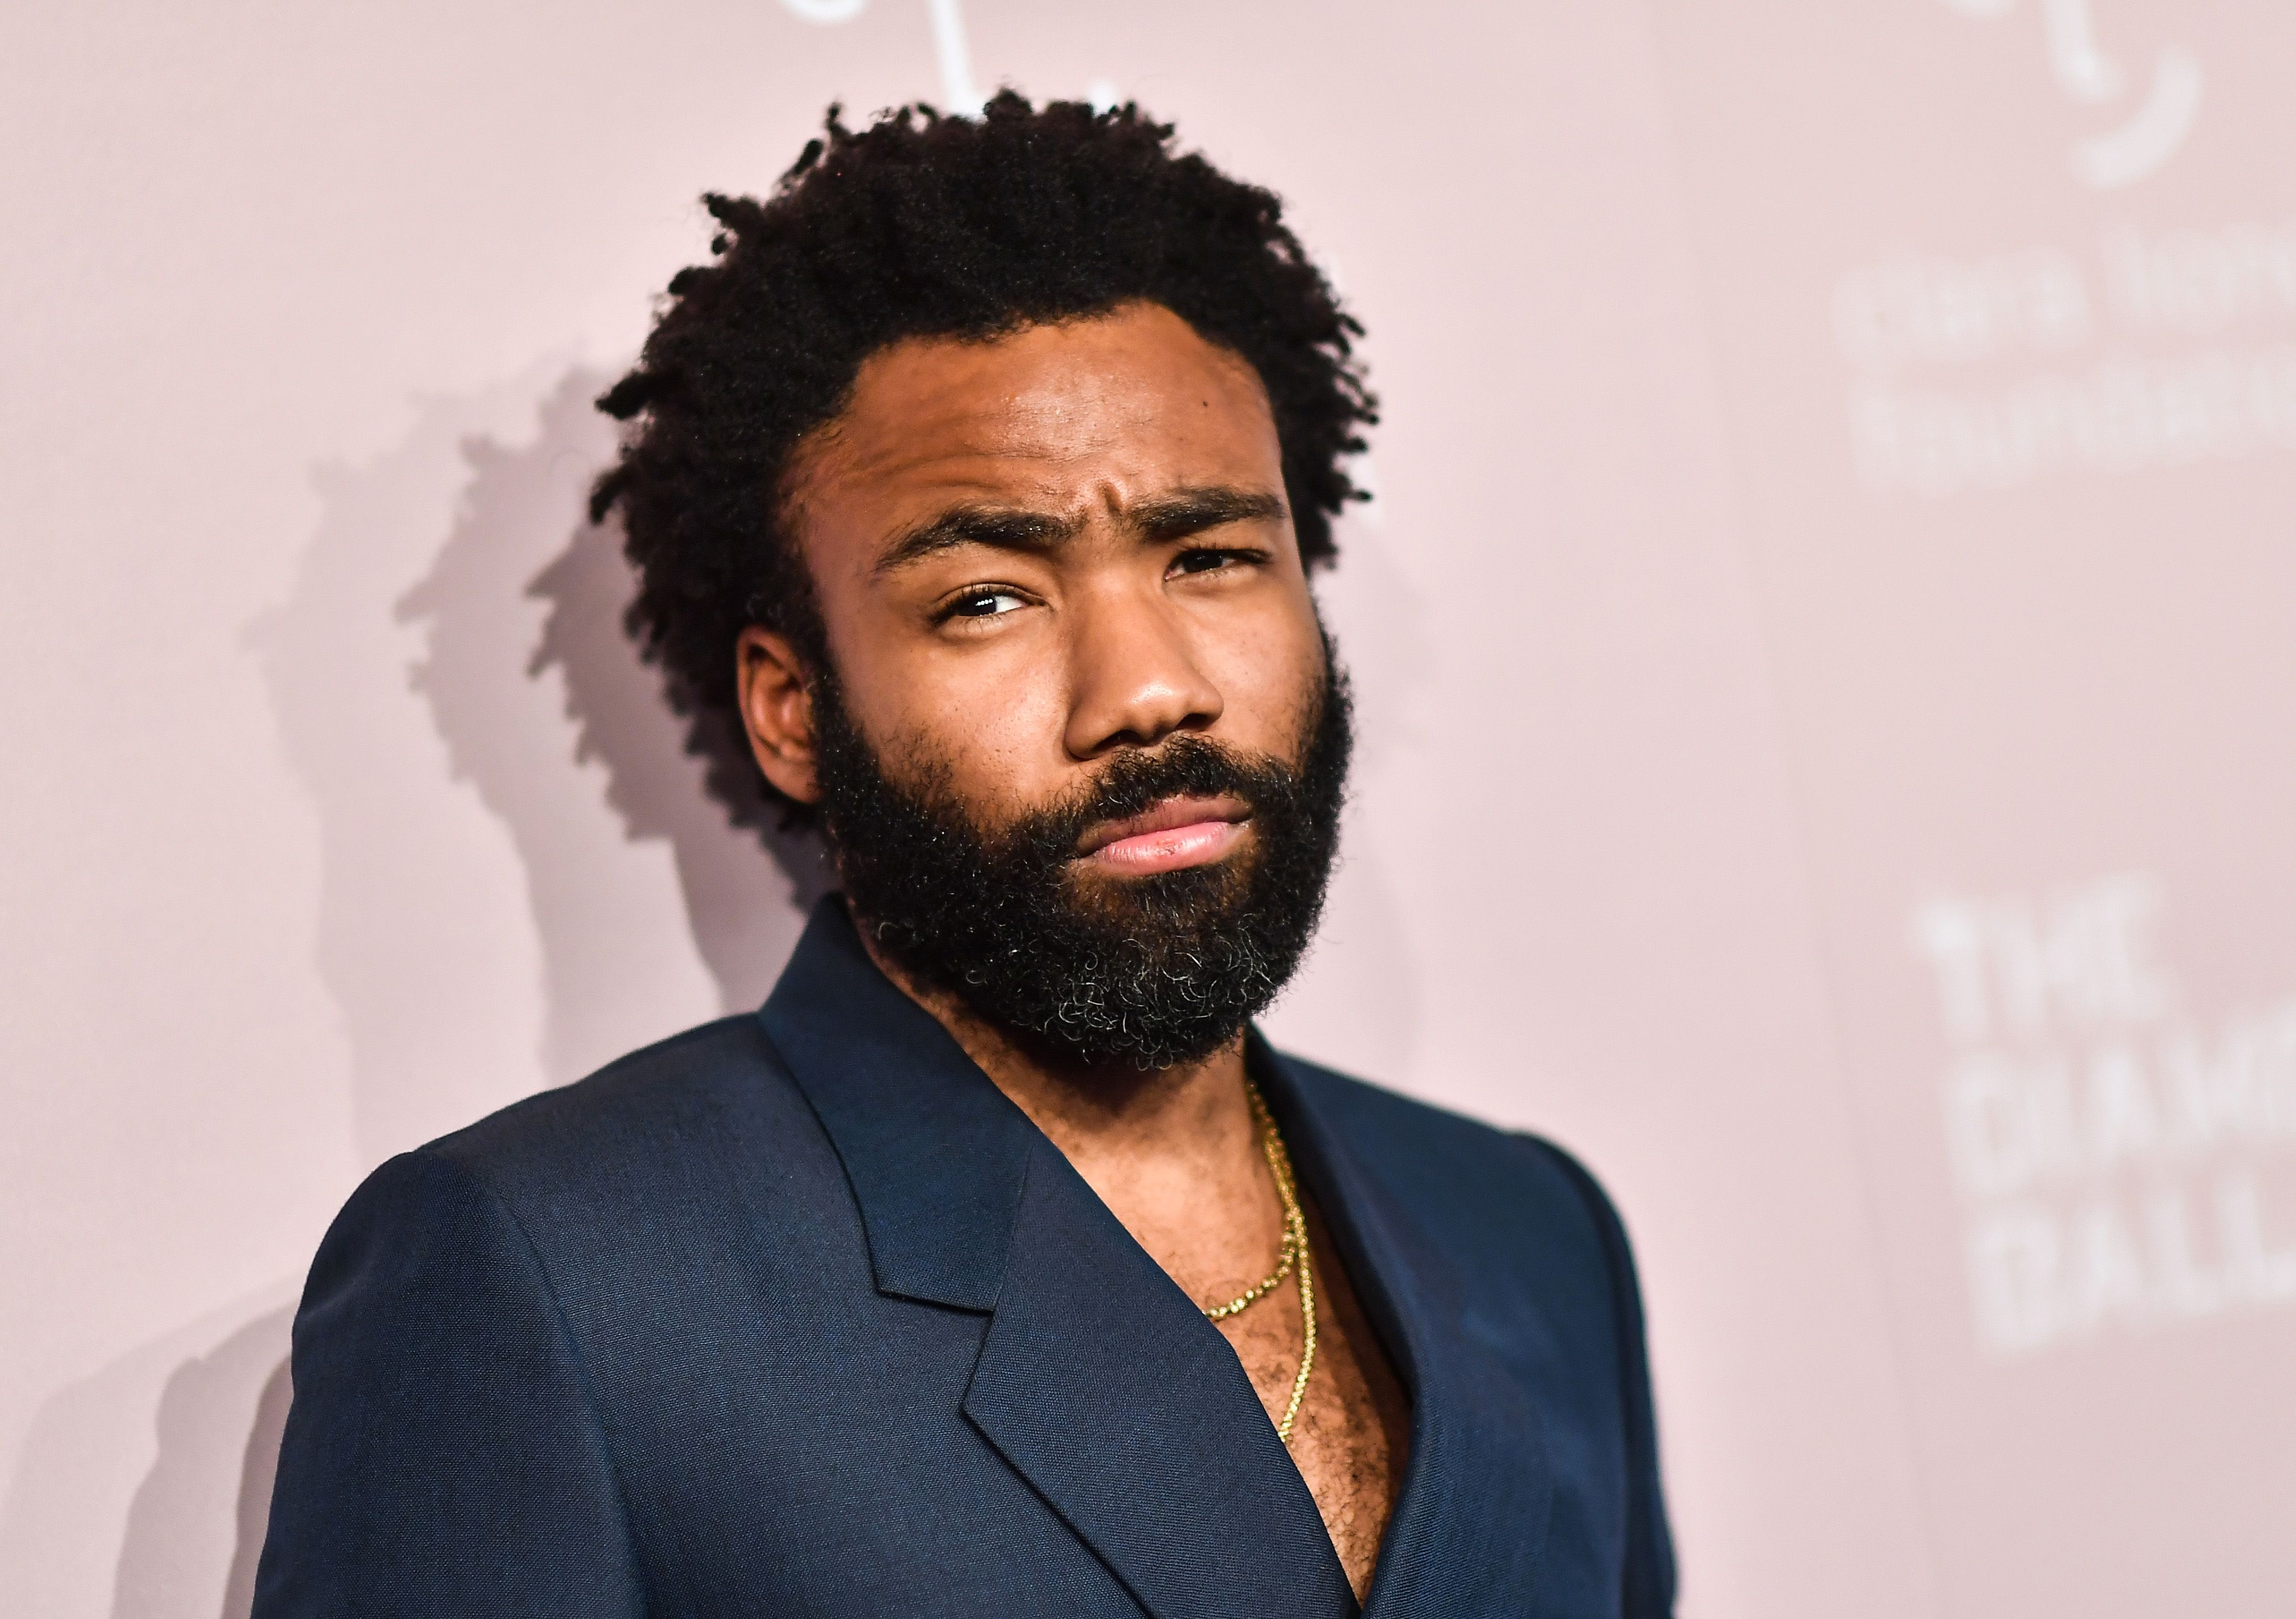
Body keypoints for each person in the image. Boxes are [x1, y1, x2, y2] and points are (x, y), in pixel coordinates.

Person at [254, 94, 1675, 1618]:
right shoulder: (557, 1283)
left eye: (1210, 558)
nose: (1145, 687)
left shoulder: (1531, 1229)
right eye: (988, 598)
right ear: (792, 708)